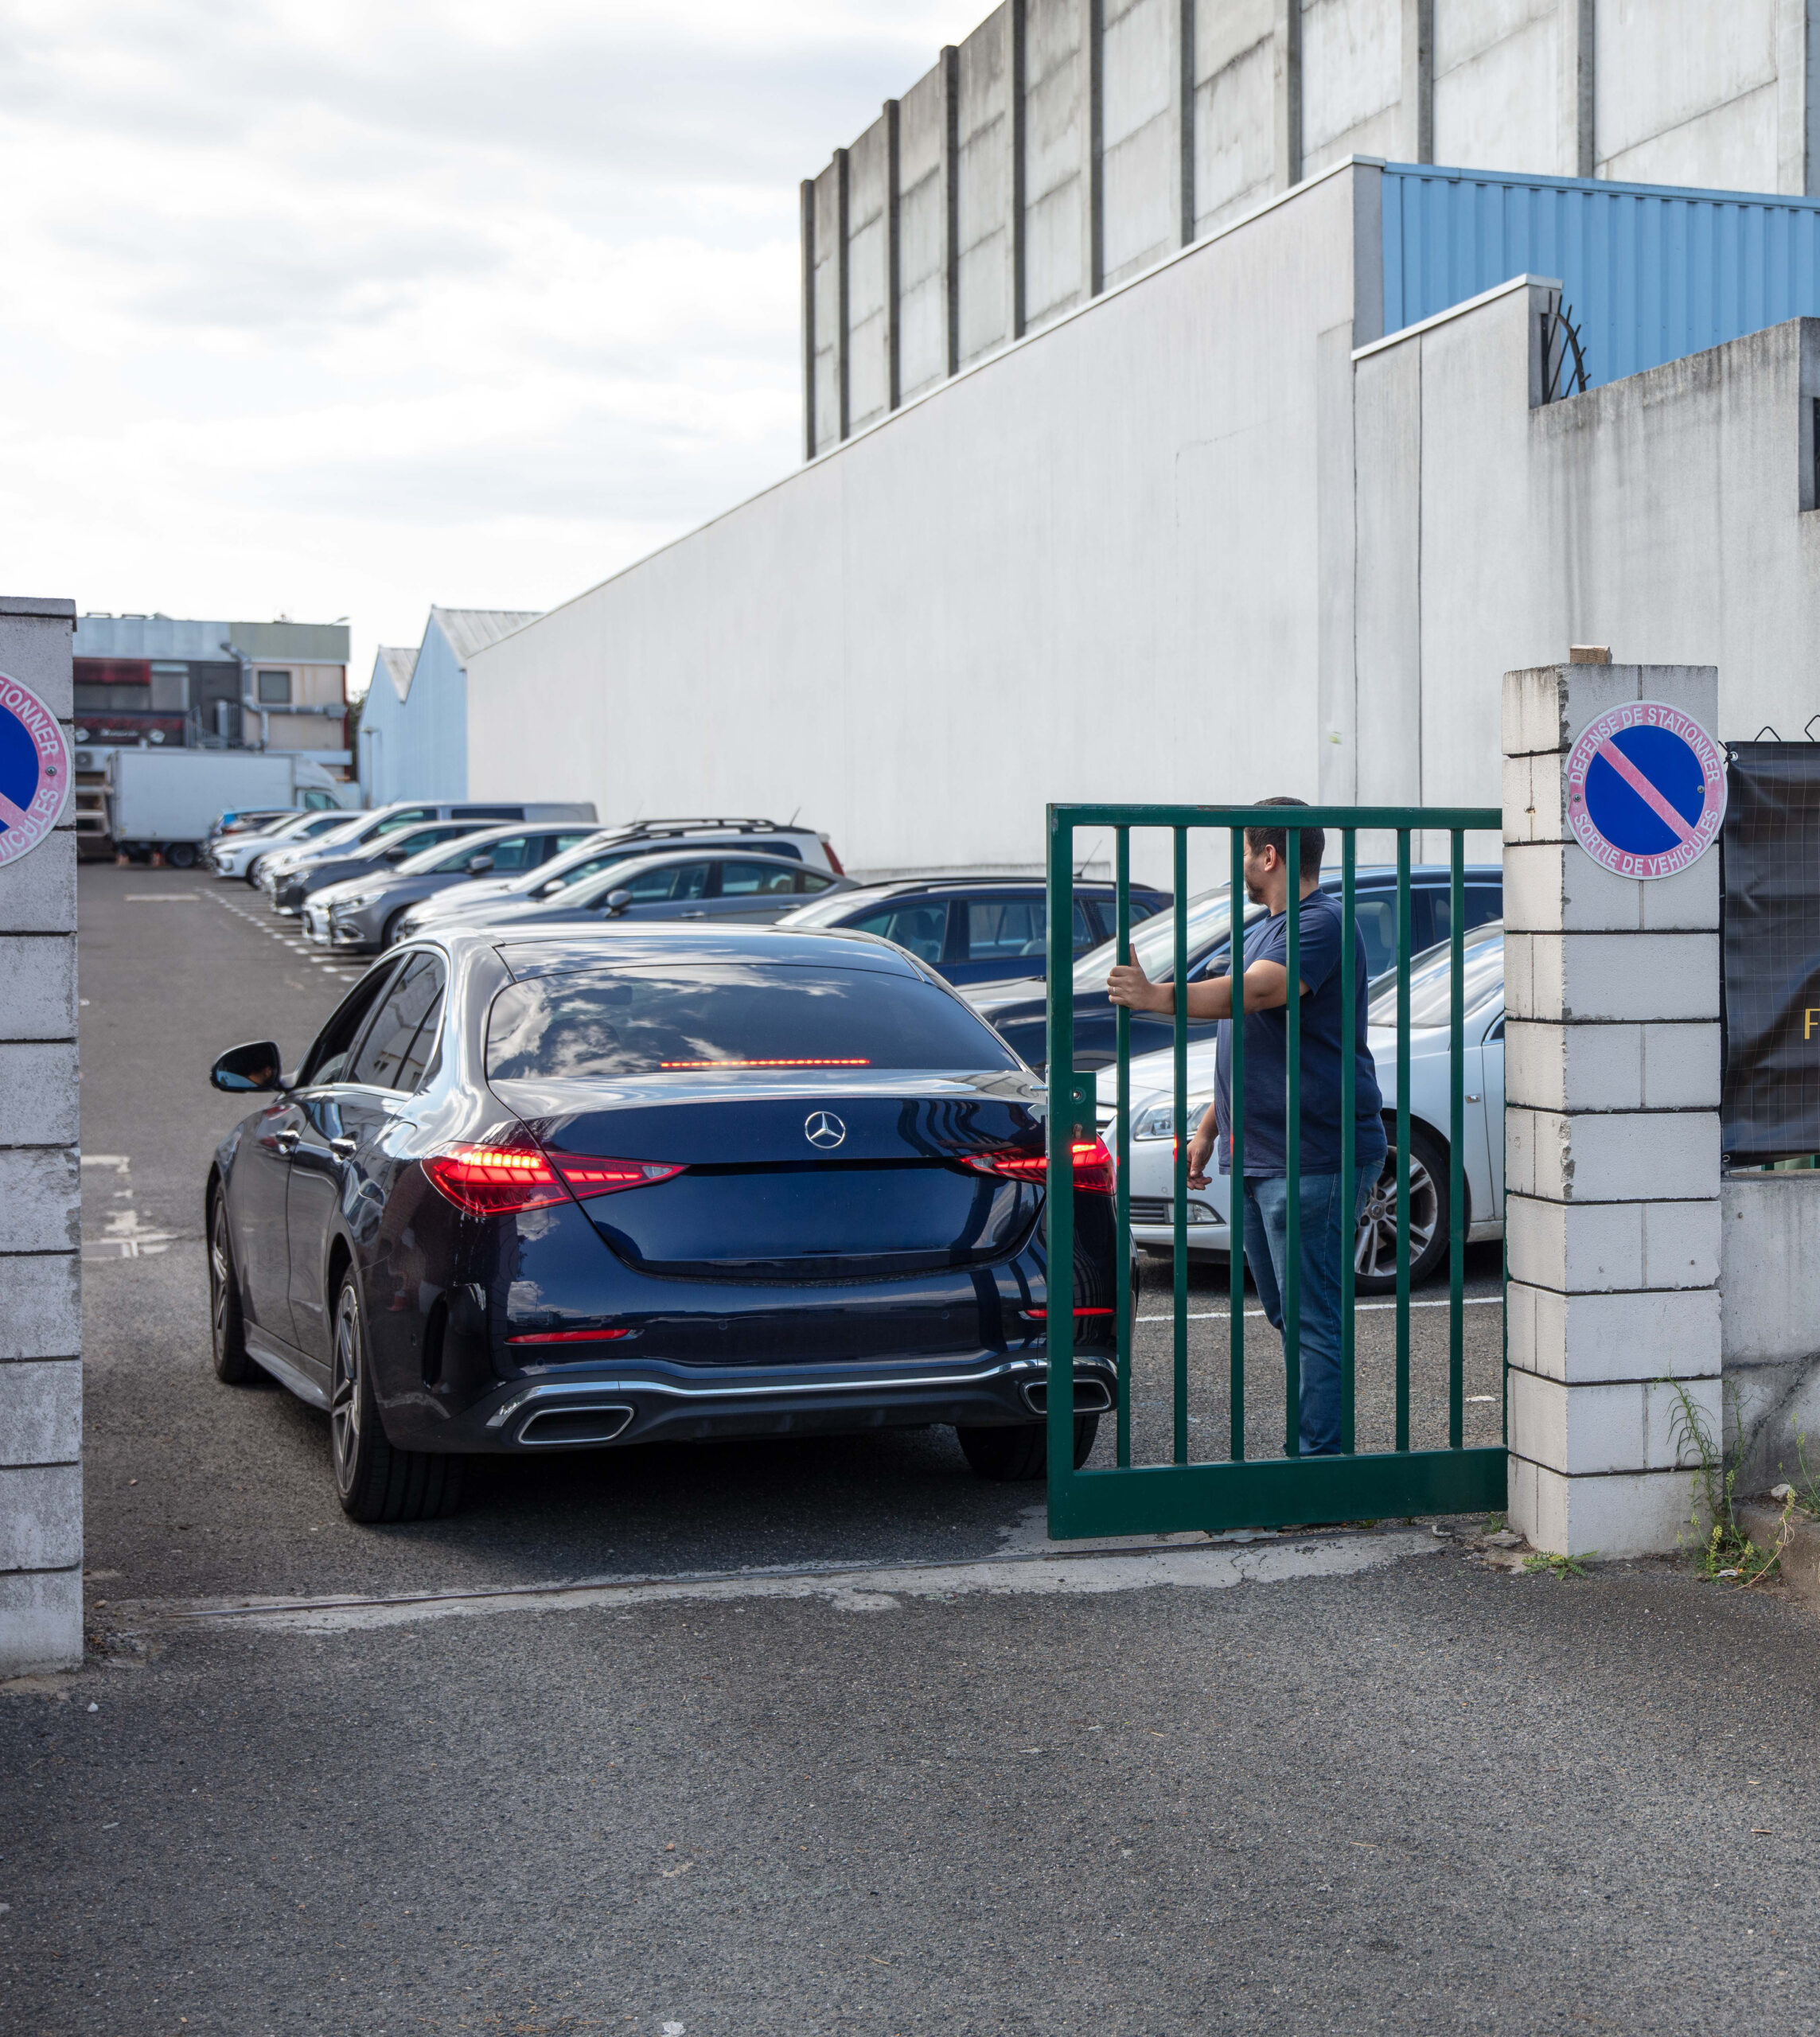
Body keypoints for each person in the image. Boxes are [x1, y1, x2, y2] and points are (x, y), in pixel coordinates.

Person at [1106, 797, 1386, 1455]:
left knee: (1312, 1316)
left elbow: (1258, 992)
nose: (1239, 864)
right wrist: (1211, 1124)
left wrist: (1155, 996)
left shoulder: (1321, 923)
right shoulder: (1266, 927)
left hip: (1314, 1152)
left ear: (1268, 854)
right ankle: (1314, 1449)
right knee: (1289, 1312)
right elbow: (1255, 1034)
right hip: (1262, 1151)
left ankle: (1318, 1465)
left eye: (1243, 851)